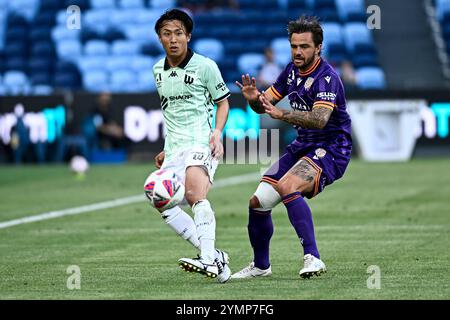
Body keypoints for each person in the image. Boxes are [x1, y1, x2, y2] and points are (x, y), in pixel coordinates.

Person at [232, 16, 352, 279]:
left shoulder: (327, 78)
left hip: (332, 148)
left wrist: (282, 114)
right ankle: (261, 266)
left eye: (305, 47)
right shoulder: (290, 71)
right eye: (294, 46)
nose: (298, 52)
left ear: (318, 48)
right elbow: (266, 105)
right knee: (258, 202)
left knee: (287, 186)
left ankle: (313, 258)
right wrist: (255, 100)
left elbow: (320, 120)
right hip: (302, 145)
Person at [145, 9, 231, 282]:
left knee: (195, 194)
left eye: (179, 33)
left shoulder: (205, 66)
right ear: (159, 38)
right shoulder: (157, 70)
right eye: (167, 34)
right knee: (160, 201)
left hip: (201, 141)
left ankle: (207, 260)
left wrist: (217, 133)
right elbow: (171, 113)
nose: (173, 39)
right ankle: (216, 257)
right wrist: (166, 148)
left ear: (188, 36)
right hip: (174, 147)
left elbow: (223, 102)